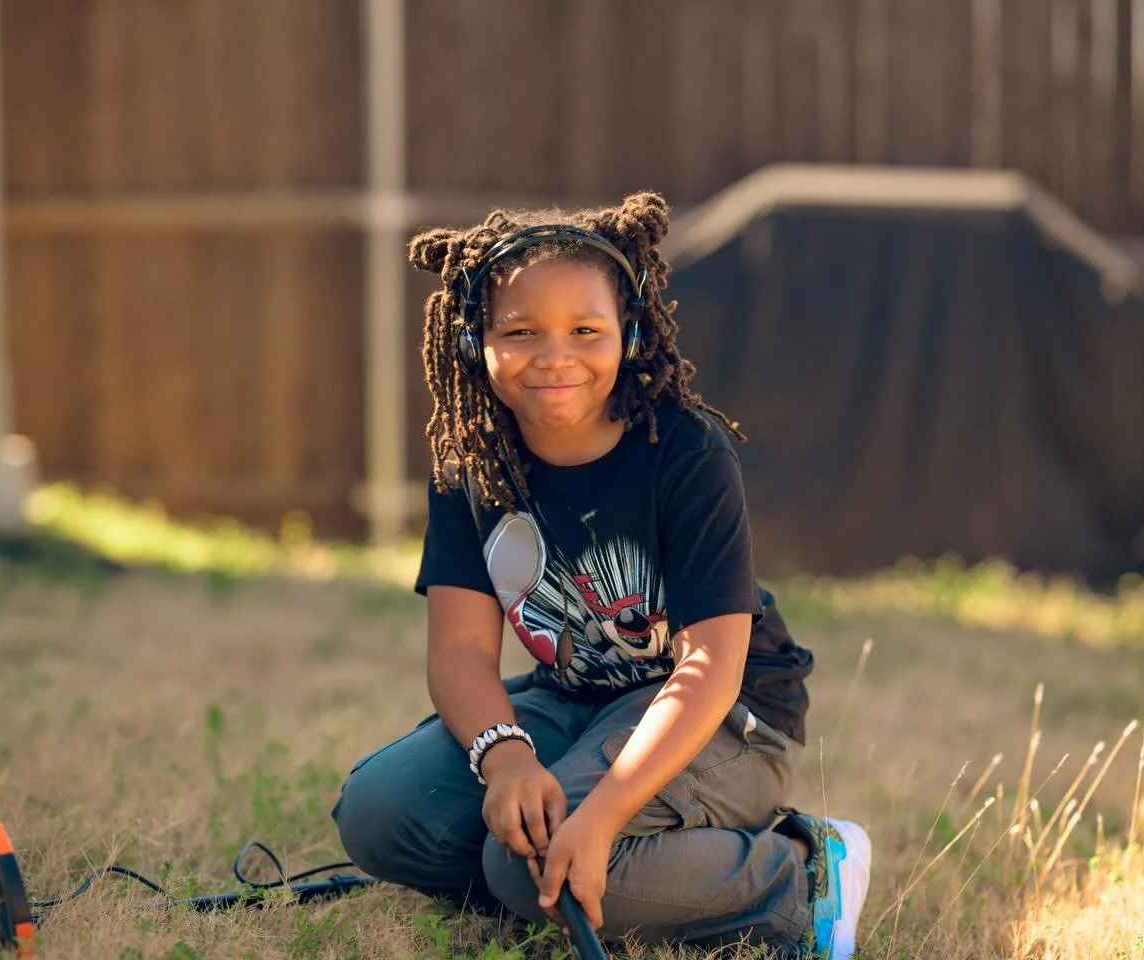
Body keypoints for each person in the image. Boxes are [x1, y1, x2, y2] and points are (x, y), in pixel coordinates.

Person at [331, 191, 870, 958]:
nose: (555, 356)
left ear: (632, 333)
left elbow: (711, 666)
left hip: (726, 714)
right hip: (576, 701)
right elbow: (458, 652)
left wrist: (605, 811)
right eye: (519, 332)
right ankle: (575, 881)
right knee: (381, 814)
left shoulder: (686, 452)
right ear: (469, 341)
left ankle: (799, 873)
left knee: (529, 870)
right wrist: (507, 756)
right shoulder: (470, 467)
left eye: (585, 331)